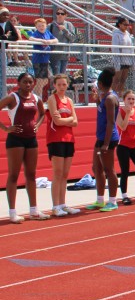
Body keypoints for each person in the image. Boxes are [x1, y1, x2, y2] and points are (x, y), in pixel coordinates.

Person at [1, 73, 48, 221]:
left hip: (31, 140)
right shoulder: (12, 98)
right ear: (18, 83)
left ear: (34, 83)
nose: (28, 85)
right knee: (14, 175)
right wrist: (6, 128)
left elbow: (42, 113)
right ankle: (12, 212)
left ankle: (34, 210)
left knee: (31, 175)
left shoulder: (36, 98)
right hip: (15, 140)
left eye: (30, 82)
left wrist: (37, 125)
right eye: (25, 82)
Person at [86, 68, 121, 212]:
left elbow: (111, 122)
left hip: (108, 139)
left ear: (100, 84)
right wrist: (97, 101)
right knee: (96, 168)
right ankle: (100, 200)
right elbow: (102, 113)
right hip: (100, 137)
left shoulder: (110, 98)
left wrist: (106, 144)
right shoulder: (104, 98)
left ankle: (112, 201)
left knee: (109, 169)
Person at [44, 74, 79, 216]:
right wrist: (69, 120)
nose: (62, 87)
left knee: (65, 174)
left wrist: (68, 120)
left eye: (64, 84)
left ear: (68, 84)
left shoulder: (69, 100)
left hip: (69, 139)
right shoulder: (52, 99)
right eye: (59, 84)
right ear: (54, 85)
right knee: (57, 173)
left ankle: (63, 204)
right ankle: (55, 206)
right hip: (56, 139)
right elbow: (57, 121)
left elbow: (76, 122)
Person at [28, 17, 56, 100]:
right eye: (39, 26)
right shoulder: (36, 33)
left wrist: (50, 41)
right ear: (36, 27)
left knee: (46, 81)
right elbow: (31, 38)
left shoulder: (47, 32)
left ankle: (32, 94)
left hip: (45, 59)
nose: (41, 27)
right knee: (40, 80)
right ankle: (38, 98)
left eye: (43, 25)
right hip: (38, 59)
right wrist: (41, 40)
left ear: (46, 25)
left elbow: (56, 39)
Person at [111, 16, 134, 93]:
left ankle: (120, 94)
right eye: (125, 24)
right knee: (116, 79)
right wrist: (117, 62)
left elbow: (131, 47)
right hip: (119, 60)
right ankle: (113, 94)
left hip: (127, 60)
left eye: (128, 25)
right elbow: (115, 49)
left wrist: (132, 60)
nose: (126, 26)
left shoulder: (128, 34)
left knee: (123, 79)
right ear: (120, 24)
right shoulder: (116, 34)